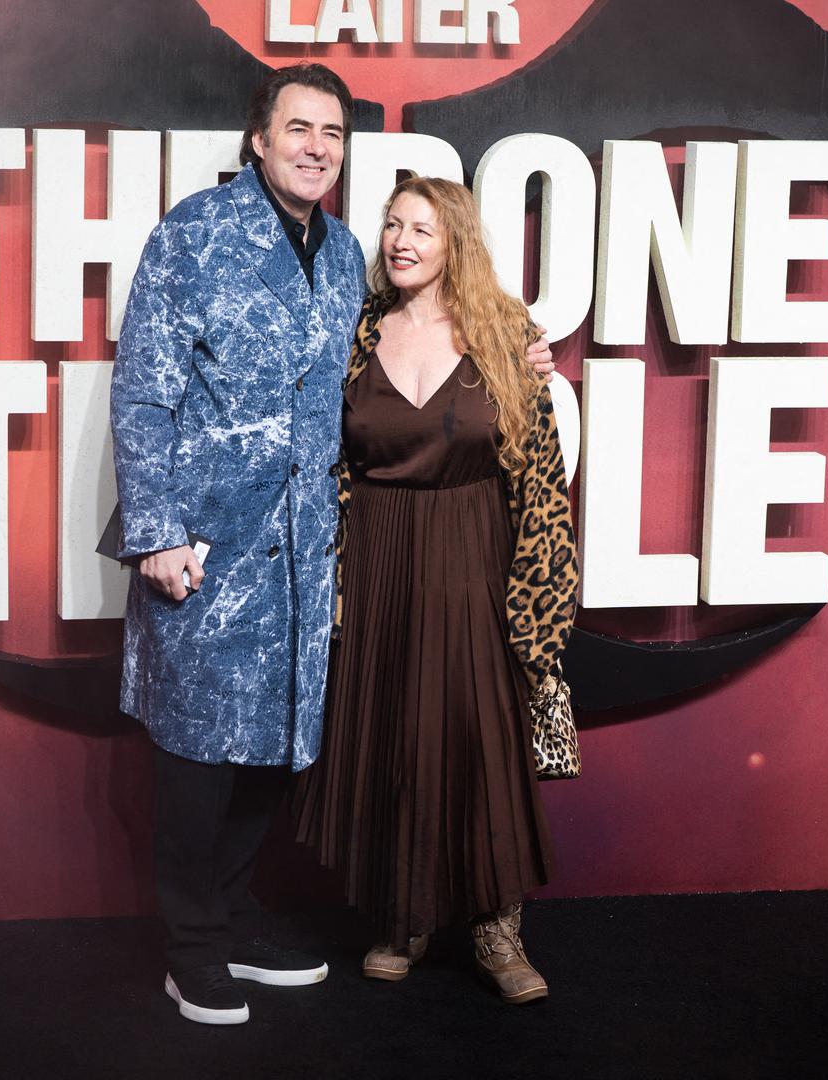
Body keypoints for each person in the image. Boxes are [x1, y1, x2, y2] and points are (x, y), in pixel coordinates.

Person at [112, 64, 556, 1026]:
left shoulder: (346, 248)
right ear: (258, 139)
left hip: (310, 554)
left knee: (276, 747)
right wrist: (153, 532)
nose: (317, 146)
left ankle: (229, 918)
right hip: (206, 548)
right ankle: (190, 950)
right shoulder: (192, 234)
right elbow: (143, 388)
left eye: (334, 133)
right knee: (195, 752)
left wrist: (517, 347)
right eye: (299, 127)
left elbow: (421, 345)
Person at [292, 176, 580, 1005]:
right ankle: (404, 919)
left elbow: (538, 476)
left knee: (478, 737)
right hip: (377, 558)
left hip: (471, 554)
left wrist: (537, 596)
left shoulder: (506, 334)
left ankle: (496, 928)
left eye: (421, 227)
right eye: (391, 224)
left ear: (455, 240)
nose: (401, 240)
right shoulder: (353, 332)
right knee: (393, 734)